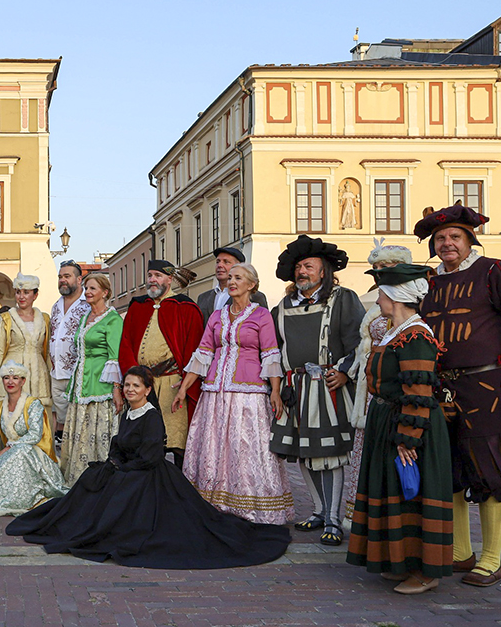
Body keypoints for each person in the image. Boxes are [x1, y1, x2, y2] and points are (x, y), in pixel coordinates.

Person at [5, 365, 291, 569]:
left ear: (147, 390)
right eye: (126, 385)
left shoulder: (151, 416)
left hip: (147, 473)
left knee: (121, 493)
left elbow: (151, 456)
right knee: (91, 481)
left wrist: (124, 468)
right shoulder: (129, 411)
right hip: (129, 467)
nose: (130, 389)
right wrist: (115, 462)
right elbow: (118, 443)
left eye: (135, 386)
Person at [414, 203, 501, 587]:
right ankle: (460, 552)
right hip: (440, 387)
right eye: (440, 239)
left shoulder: (494, 271)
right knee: (449, 467)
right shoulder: (428, 282)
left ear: (470, 241)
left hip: (483, 386)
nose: (447, 243)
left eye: (455, 237)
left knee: (489, 468)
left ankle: (491, 558)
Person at [346, 263, 453, 595]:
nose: (377, 299)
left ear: (395, 296)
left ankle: (425, 571)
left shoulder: (417, 335)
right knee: (391, 492)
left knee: (412, 495)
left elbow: (419, 390)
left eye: (380, 293)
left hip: (408, 424)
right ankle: (399, 561)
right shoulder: (397, 330)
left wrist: (409, 438)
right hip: (387, 420)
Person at [175, 263, 293, 525]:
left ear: (251, 284)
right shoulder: (217, 316)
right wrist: (184, 388)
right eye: (230, 277)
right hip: (215, 392)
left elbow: (271, 353)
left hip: (247, 392)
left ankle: (249, 506)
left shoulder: (261, 315)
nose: (231, 281)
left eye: (238, 277)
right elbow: (204, 352)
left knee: (245, 447)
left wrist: (275, 390)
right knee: (215, 445)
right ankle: (213, 503)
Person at [269, 234, 364, 546]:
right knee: (303, 454)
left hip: (327, 388)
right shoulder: (282, 306)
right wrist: (275, 385)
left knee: (329, 455)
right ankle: (320, 511)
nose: (302, 272)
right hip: (294, 389)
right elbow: (272, 349)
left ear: (324, 271)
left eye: (308, 266)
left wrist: (345, 372)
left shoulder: (344, 298)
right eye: (298, 267)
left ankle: (335, 519)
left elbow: (361, 341)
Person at [344, 239, 412, 521]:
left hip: (395, 387)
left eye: (386, 266)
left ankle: (389, 520)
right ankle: (366, 519)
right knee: (366, 454)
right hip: (369, 390)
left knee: (391, 452)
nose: (380, 271)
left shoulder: (409, 301)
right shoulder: (377, 301)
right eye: (377, 267)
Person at [118, 259, 204, 468]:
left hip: (172, 383)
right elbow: (125, 343)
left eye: (157, 276)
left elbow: (195, 349)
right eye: (150, 276)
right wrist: (132, 378)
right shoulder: (138, 306)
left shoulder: (185, 307)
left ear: (170, 279)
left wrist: (185, 384)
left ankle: (178, 489)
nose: (152, 280)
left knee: (176, 441)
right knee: (142, 441)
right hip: (142, 385)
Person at [0, 360, 68, 515]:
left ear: (23, 381)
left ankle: (22, 498)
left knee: (20, 452)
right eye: (6, 378)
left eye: (15, 378)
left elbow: (35, 435)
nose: (10, 382)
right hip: (6, 453)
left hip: (32, 452)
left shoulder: (34, 404)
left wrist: (8, 448)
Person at [59, 273, 123, 486]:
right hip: (81, 381)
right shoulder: (86, 317)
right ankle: (78, 477)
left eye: (92, 288)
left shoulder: (112, 319)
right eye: (86, 288)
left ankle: (102, 479)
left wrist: (116, 388)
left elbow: (115, 355)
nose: (87, 292)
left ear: (105, 292)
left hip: (100, 383)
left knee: (98, 431)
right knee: (81, 431)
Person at [0, 273, 52, 409]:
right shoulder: (6, 318)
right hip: (12, 372)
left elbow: (48, 352)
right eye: (18, 292)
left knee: (37, 417)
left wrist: (52, 379)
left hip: (38, 374)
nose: (21, 297)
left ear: (35, 295)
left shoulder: (45, 319)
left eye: (26, 292)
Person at [48, 260, 91, 443]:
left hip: (78, 373)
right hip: (57, 374)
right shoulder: (56, 305)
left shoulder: (88, 304)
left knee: (80, 423)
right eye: (60, 277)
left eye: (67, 276)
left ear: (79, 279)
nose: (62, 280)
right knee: (62, 419)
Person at [196, 247, 268, 328]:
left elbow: (265, 329)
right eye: (218, 261)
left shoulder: (254, 297)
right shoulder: (203, 298)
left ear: (239, 267)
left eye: (226, 262)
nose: (220, 265)